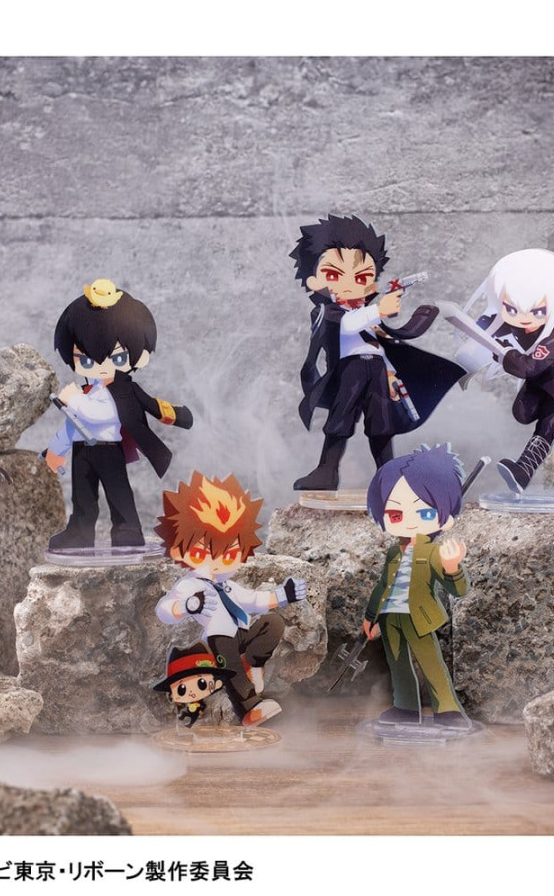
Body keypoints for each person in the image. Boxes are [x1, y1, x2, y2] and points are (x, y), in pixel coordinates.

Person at [291, 215, 464, 490]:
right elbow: (347, 324)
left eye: (362, 277)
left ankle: (389, 476)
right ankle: (326, 472)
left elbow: (383, 340)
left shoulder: (366, 312)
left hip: (377, 370)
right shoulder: (325, 312)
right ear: (313, 280)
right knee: (340, 421)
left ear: (372, 283)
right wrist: (378, 309)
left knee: (382, 425)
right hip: (350, 371)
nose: (351, 283)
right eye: (335, 275)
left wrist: (392, 369)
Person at [46, 279, 193, 549]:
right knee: (82, 498)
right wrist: (56, 449)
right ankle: (79, 534)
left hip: (108, 450)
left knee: (118, 494)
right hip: (82, 451)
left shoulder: (119, 392)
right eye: (86, 359)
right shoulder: (84, 391)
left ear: (140, 356)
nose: (100, 366)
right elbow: (73, 423)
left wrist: (74, 400)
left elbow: (101, 414)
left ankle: (127, 531)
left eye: (116, 358)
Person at [154, 472, 306, 727]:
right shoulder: (190, 585)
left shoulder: (228, 586)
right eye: (203, 552)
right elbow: (164, 611)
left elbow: (253, 599)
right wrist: (186, 606)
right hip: (218, 641)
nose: (215, 562)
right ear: (180, 550)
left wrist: (283, 595)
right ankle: (249, 709)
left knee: (272, 623)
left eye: (227, 554)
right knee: (231, 666)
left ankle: (253, 663)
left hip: (240, 634)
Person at [452, 248, 554, 491]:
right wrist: (476, 334)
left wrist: (504, 353)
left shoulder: (551, 342)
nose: (523, 317)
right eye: (512, 309)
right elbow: (492, 329)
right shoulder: (512, 324)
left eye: (536, 311)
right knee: (522, 414)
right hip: (539, 380)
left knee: (545, 429)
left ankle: (523, 472)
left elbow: (526, 368)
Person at [363, 444, 471, 729]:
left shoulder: (433, 552)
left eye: (424, 513)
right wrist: (370, 616)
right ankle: (405, 706)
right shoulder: (393, 553)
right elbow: (382, 587)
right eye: (396, 515)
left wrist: (452, 567)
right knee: (398, 664)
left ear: (445, 519)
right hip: (390, 618)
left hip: (419, 618)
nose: (408, 522)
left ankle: (447, 709)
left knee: (430, 662)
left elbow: (459, 590)